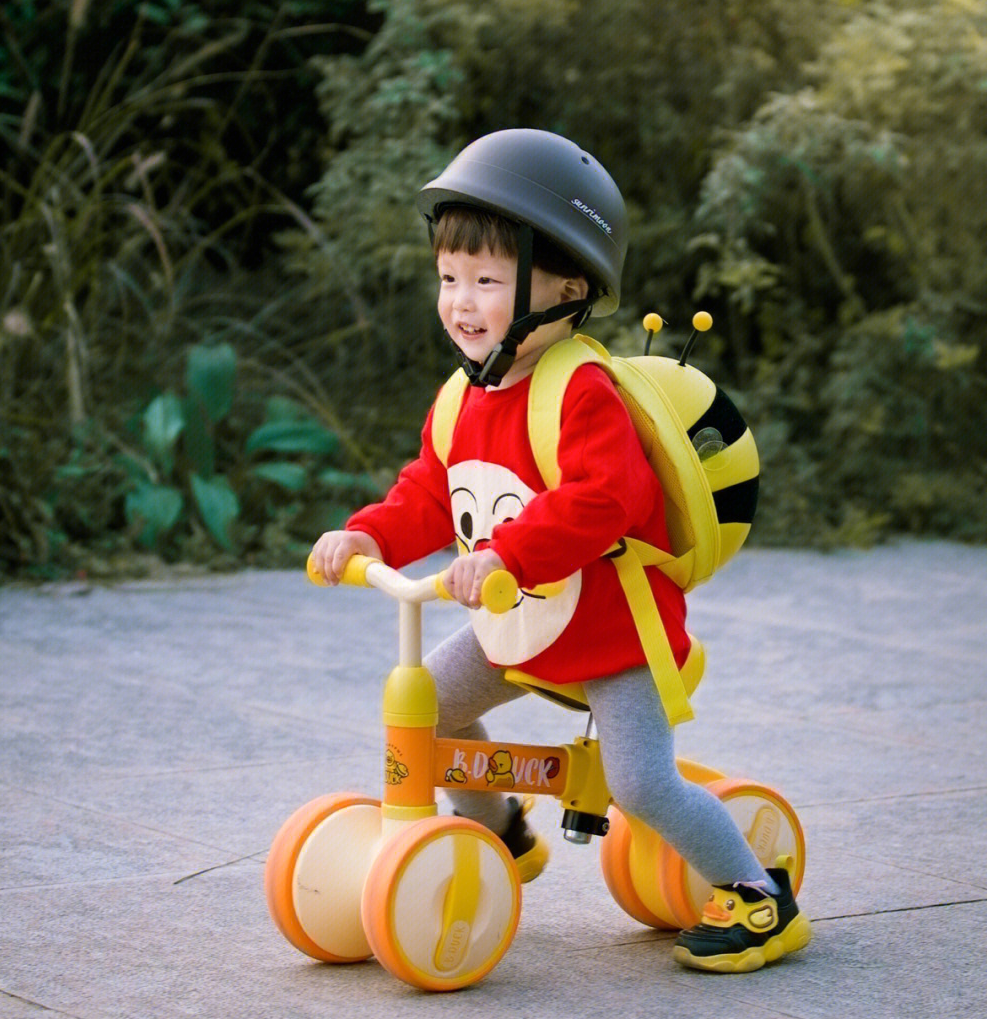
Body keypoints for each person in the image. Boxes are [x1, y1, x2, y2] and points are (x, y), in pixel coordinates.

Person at [310, 128, 811, 973]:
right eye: (449, 279)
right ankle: (498, 829)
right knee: (427, 704)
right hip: (520, 628)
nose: (461, 301)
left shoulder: (582, 389)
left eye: (487, 281)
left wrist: (506, 555)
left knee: (641, 785)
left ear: (565, 287)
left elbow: (602, 498)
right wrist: (367, 533)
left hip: (613, 636)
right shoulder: (461, 396)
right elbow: (431, 492)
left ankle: (763, 899)